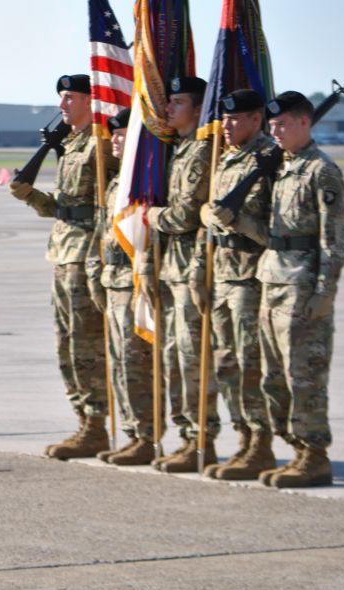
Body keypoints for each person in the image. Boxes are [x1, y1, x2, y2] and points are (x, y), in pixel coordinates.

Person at [221, 91, 344, 488]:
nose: (274, 132)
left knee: (303, 374)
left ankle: (314, 455)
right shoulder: (282, 168)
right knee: (273, 376)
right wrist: (237, 221)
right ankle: (294, 448)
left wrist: (324, 291)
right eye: (272, 125)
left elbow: (334, 239)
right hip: (271, 278)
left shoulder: (321, 171)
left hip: (302, 285)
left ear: (304, 123)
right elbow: (272, 235)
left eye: (281, 125)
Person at [10, 74, 117, 460]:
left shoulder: (102, 146)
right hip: (63, 252)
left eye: (70, 98)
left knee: (88, 343)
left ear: (91, 101)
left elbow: (108, 204)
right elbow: (64, 208)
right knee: (68, 343)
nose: (62, 105)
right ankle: (84, 419)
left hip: (87, 256)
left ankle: (97, 424)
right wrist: (30, 196)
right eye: (62, 98)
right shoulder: (71, 145)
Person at [138, 75, 220, 472]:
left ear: (200, 109)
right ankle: (187, 436)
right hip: (172, 269)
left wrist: (152, 216)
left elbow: (184, 215)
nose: (168, 108)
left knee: (191, 358)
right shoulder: (179, 149)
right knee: (173, 357)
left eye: (178, 102)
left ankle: (200, 440)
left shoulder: (202, 152)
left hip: (191, 270)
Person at [196, 89, 276, 480]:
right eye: (224, 118)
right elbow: (210, 224)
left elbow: (279, 232)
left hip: (251, 277)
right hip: (222, 274)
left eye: (234, 119)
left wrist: (239, 221)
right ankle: (243, 439)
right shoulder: (226, 158)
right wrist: (200, 271)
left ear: (256, 120)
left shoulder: (270, 161)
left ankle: (261, 444)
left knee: (250, 364)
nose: (225, 125)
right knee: (226, 364)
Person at [86, 110, 157, 465]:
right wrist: (95, 272)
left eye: (120, 135)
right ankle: (132, 432)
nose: (113, 140)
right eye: (112, 134)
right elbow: (103, 233)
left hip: (133, 283)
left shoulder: (142, 180)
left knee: (135, 363)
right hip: (112, 283)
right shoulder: (117, 182)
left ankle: (146, 435)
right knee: (118, 363)